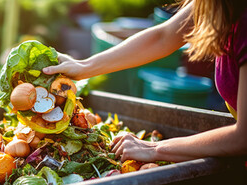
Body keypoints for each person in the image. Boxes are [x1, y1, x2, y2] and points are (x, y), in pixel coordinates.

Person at [42, 0, 247, 163]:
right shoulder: (219, 4)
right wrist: (83, 67)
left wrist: (155, 148)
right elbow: (163, 37)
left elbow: (243, 138)